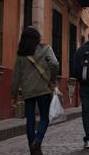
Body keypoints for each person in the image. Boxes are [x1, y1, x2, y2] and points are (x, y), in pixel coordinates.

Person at [11, 26, 59, 155]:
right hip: (43, 89)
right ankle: (37, 142)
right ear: (37, 38)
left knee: (30, 120)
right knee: (44, 118)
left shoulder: (21, 54)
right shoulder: (45, 49)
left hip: (28, 91)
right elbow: (55, 64)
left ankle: (33, 149)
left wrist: (13, 95)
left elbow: (16, 76)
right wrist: (52, 78)